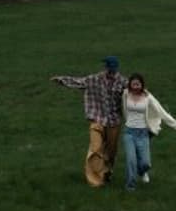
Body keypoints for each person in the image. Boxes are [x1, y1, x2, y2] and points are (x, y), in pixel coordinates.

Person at [50, 56, 128, 187]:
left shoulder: (123, 82)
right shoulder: (95, 79)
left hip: (114, 121)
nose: (108, 70)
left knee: (111, 151)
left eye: (111, 67)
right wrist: (61, 80)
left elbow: (136, 91)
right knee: (95, 148)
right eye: (107, 67)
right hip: (97, 118)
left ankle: (106, 171)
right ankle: (95, 180)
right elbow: (79, 82)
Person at [122, 73, 176, 191]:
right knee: (131, 160)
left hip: (143, 133)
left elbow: (160, 110)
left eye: (138, 84)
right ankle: (130, 186)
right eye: (133, 84)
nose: (135, 86)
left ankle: (142, 172)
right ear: (130, 85)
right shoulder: (126, 94)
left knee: (146, 163)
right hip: (129, 132)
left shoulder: (147, 97)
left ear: (142, 85)